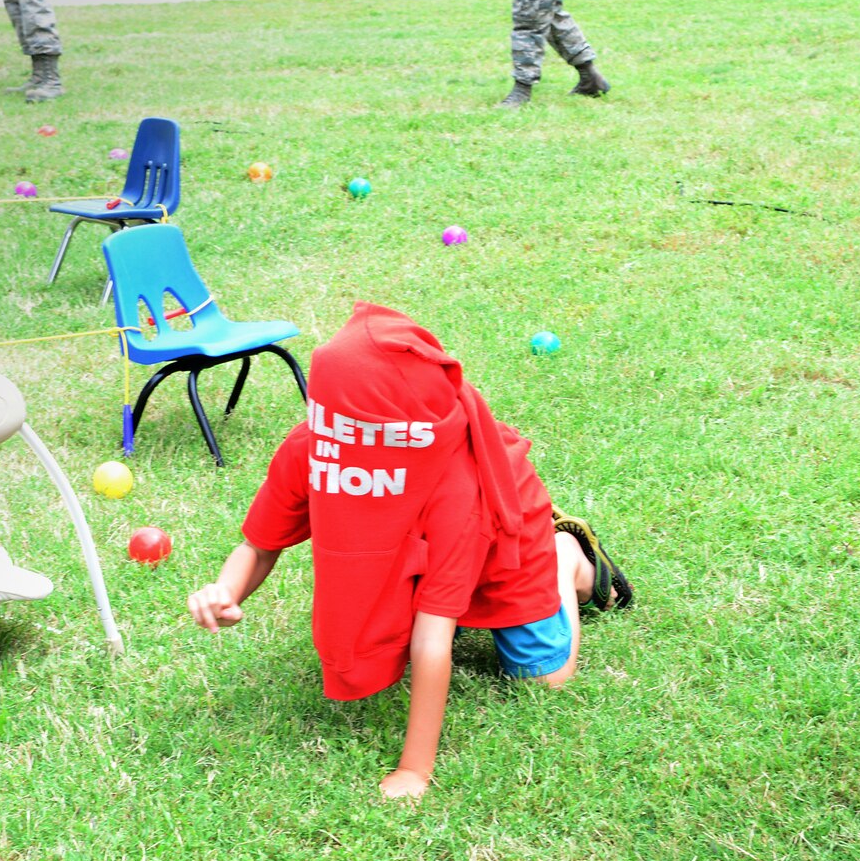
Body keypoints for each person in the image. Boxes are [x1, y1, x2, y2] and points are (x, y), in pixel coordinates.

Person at [186, 302, 632, 799]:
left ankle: (564, 555)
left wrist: (415, 770)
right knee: (402, 614)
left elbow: (433, 636)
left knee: (545, 680)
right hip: (416, 547)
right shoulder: (316, 447)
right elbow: (260, 544)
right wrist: (225, 591)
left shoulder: (459, 490)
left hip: (505, 542)